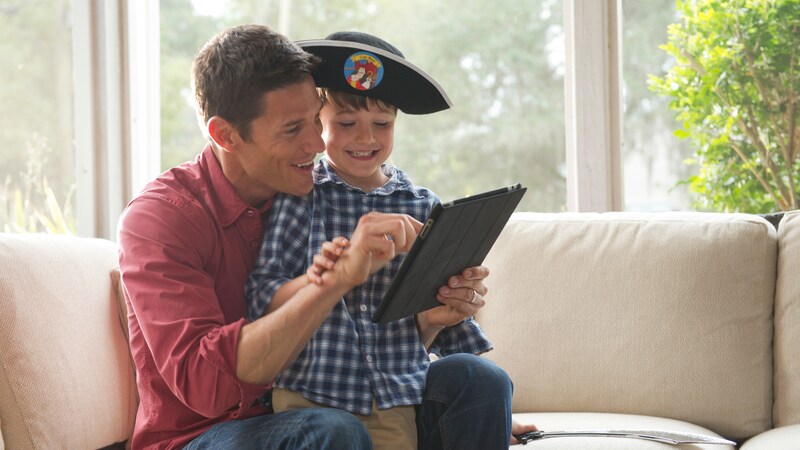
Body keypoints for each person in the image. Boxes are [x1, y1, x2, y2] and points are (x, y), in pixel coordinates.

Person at [117, 24, 528, 450]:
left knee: (476, 380)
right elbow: (209, 389)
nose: (317, 142)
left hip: (343, 410)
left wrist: (429, 323)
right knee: (331, 431)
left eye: (316, 118)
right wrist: (333, 281)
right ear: (226, 135)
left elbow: (372, 340)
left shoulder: (320, 193)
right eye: (294, 128)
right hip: (212, 431)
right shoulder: (161, 219)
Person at [245, 31, 534, 450]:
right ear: (317, 124)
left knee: (485, 378)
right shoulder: (298, 197)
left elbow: (447, 329)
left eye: (381, 124)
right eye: (346, 124)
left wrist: (491, 410)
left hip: (396, 397)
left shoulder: (422, 206)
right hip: (313, 396)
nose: (366, 139)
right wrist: (329, 276)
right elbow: (263, 295)